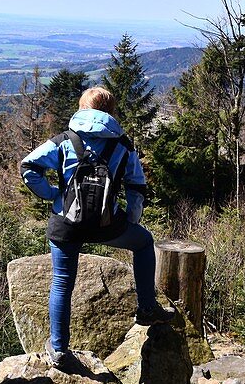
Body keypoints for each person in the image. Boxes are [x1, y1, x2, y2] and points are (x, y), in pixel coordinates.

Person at [19, 86, 173, 368]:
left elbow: (28, 167)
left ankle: (58, 350)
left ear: (82, 109)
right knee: (143, 243)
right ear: (110, 112)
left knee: (62, 282)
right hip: (107, 225)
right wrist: (129, 220)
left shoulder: (64, 140)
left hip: (66, 224)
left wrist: (53, 195)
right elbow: (137, 186)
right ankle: (147, 308)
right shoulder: (123, 146)